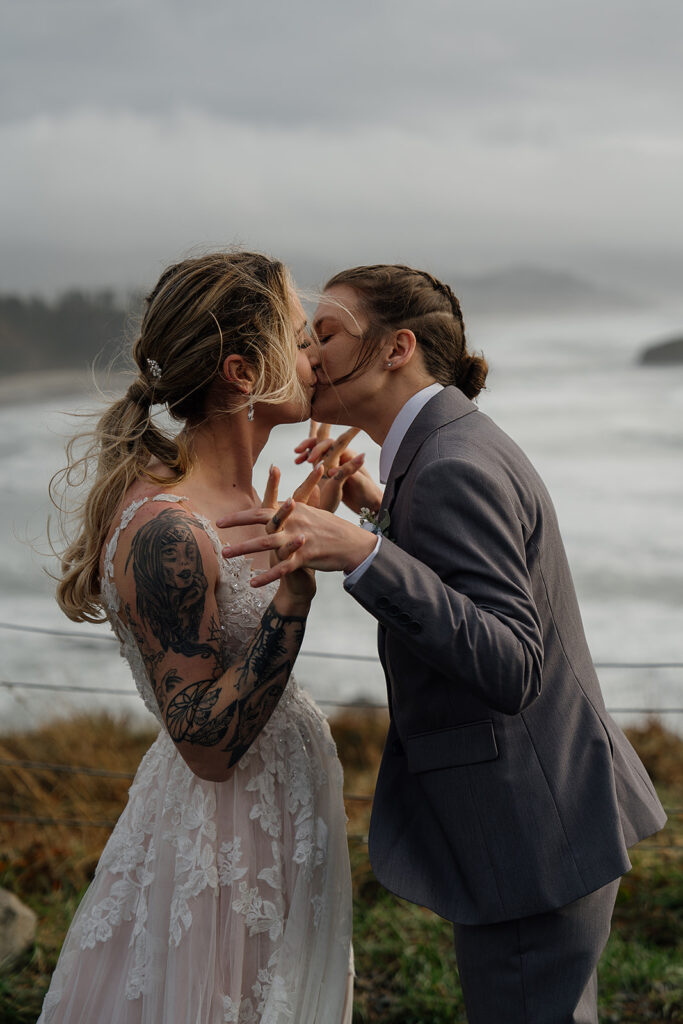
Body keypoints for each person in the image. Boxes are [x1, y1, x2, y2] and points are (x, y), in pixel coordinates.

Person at [218, 263, 667, 1024]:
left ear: (397, 348)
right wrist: (381, 514)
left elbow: (510, 662)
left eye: (324, 333)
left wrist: (363, 553)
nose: (308, 354)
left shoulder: (451, 465)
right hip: (550, 811)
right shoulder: (446, 446)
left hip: (530, 834)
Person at [39, 251, 356, 1024]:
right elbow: (206, 745)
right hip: (223, 857)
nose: (315, 355)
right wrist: (293, 595)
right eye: (296, 334)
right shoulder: (168, 530)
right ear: (245, 373)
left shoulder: (241, 499)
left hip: (276, 831)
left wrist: (308, 525)